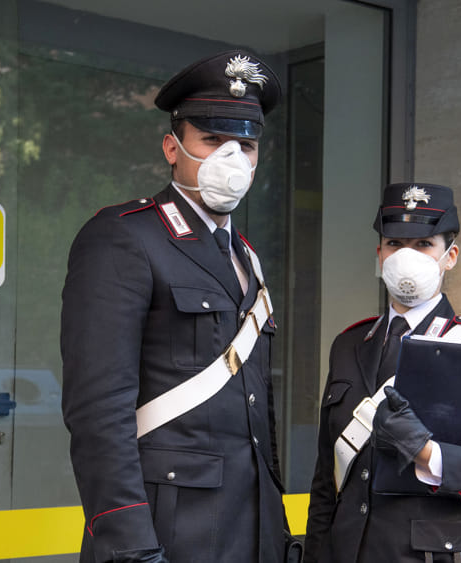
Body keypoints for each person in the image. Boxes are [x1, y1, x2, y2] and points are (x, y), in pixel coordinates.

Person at [61, 50, 299, 563]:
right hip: (166, 534)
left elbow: (256, 417)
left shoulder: (247, 257)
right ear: (173, 147)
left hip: (252, 534)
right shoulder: (124, 237)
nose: (231, 159)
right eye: (212, 140)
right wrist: (132, 548)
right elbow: (99, 412)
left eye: (246, 144)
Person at [304, 183, 461, 562]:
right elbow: (325, 484)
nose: (406, 256)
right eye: (395, 245)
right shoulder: (348, 345)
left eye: (424, 244)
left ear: (450, 256)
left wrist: (429, 453)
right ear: (379, 253)